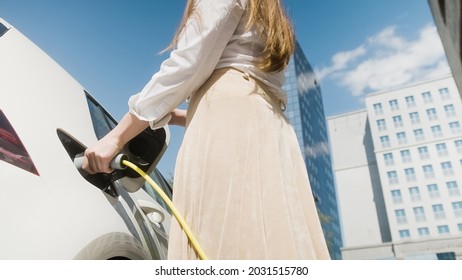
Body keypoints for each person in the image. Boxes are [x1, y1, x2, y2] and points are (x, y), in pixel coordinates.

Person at [82, 0, 330, 260]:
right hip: (270, 125)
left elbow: (187, 65)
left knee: (222, 234)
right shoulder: (270, 11)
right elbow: (245, 99)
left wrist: (116, 137)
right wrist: (181, 116)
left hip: (230, 120)